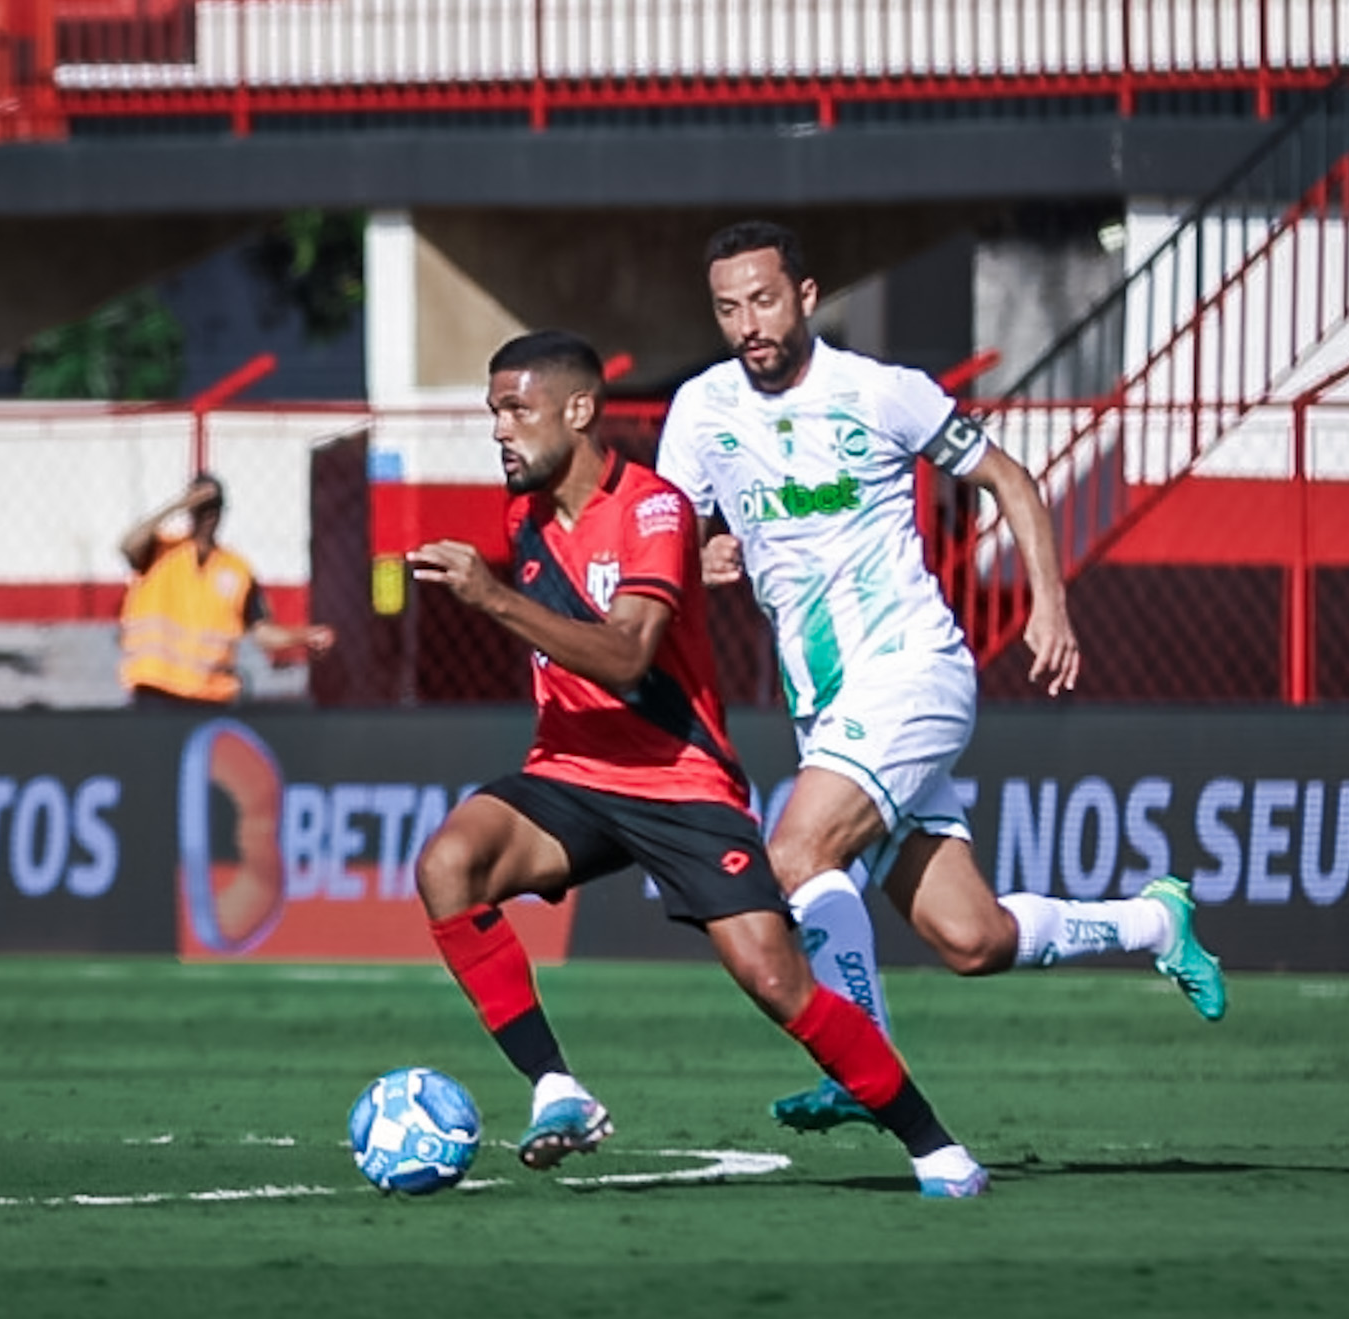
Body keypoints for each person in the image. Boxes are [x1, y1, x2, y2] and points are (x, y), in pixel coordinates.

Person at [656, 220, 1227, 1133]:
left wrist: (1049, 604)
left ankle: (861, 1067)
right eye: (729, 308)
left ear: (806, 296)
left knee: (797, 854)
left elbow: (1010, 478)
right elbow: (670, 534)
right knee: (972, 938)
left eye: (763, 300)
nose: (748, 324)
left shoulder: (881, 393)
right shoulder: (702, 411)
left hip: (913, 673)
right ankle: (1154, 924)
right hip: (828, 707)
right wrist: (704, 550)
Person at [408, 329, 991, 1197]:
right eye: (495, 411)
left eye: (516, 409)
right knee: (447, 865)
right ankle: (558, 1088)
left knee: (773, 977)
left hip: (680, 782)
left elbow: (628, 657)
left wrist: (489, 597)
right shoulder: (523, 514)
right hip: (570, 769)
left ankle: (934, 1145)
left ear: (579, 412)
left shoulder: (655, 511)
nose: (500, 429)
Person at [117, 473, 335, 708]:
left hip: (210, 696)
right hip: (155, 689)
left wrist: (304, 636)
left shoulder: (237, 569)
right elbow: (128, 544)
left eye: (214, 508)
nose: (208, 516)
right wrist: (179, 504)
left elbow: (262, 632)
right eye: (201, 508)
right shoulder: (159, 551)